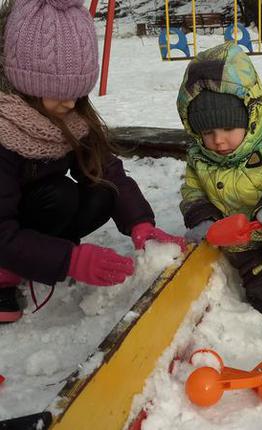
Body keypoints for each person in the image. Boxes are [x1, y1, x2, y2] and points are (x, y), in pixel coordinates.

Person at [0, 0, 185, 323]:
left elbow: (106, 169)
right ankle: (6, 273)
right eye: (59, 91)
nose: (71, 102)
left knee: (103, 191)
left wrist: (140, 222)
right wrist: (71, 260)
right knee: (58, 194)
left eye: (78, 91)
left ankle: (43, 254)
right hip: (6, 230)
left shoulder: (71, 115)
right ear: (27, 84)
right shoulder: (4, 129)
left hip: (33, 217)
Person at [177, 41, 262, 321]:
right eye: (208, 131)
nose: (218, 140)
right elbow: (192, 192)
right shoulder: (200, 159)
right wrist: (203, 219)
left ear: (251, 116)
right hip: (254, 252)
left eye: (228, 127)